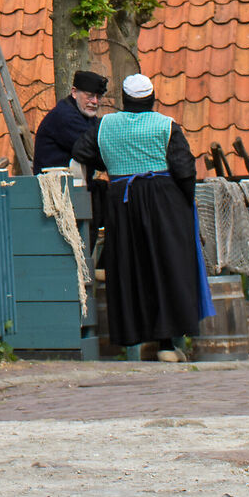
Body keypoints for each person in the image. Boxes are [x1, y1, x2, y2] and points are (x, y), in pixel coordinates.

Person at [77, 72, 210, 356]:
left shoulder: (105, 125)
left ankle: (132, 340)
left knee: (128, 267)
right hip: (164, 202)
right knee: (168, 267)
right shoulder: (166, 126)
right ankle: (166, 343)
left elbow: (82, 150)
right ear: (152, 98)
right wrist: (187, 204)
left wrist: (111, 161)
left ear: (124, 100)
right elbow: (184, 169)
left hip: (122, 202)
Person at [33, 71, 107, 172]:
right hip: (57, 184)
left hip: (75, 181)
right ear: (74, 92)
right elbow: (93, 153)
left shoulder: (85, 115)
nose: (95, 101)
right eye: (89, 96)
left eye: (98, 97)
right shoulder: (65, 116)